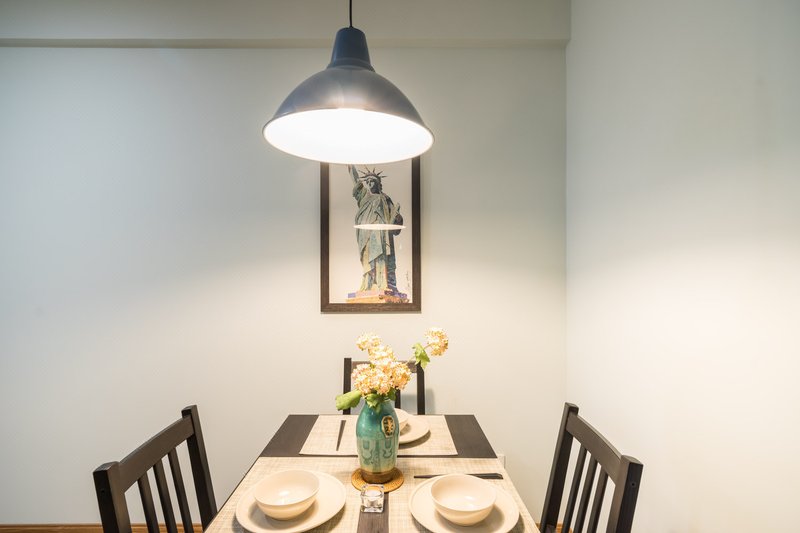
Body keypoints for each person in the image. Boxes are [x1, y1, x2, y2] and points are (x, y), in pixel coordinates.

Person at [350, 165, 404, 295]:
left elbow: (394, 215)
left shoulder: (384, 198)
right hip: (366, 234)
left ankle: (382, 283)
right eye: (367, 181)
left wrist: (397, 218)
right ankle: (369, 285)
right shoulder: (363, 196)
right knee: (368, 258)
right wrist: (350, 166)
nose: (369, 183)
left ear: (378, 183)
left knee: (380, 257)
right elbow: (355, 180)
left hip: (381, 233)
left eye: (372, 181)